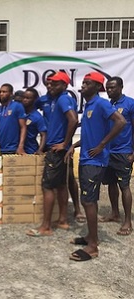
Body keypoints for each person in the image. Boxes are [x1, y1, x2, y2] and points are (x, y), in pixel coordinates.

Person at [67, 72, 125, 261]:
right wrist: (73, 147)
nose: (82, 86)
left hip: (95, 161)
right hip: (86, 159)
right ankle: (90, 237)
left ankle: (93, 247)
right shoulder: (89, 106)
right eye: (83, 82)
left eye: (87, 83)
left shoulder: (101, 104)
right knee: (87, 200)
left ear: (96, 87)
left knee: (89, 201)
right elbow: (91, 134)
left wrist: (102, 145)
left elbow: (121, 122)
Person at [27, 72, 78, 237]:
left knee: (47, 186)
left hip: (57, 149)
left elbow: (73, 120)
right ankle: (63, 220)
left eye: (55, 84)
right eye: (49, 83)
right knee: (61, 185)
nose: (51, 86)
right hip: (58, 149)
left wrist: (64, 143)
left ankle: (46, 226)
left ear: (64, 85)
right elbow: (35, 102)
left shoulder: (63, 99)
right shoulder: (52, 99)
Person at [99, 76, 134, 235]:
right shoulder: (107, 105)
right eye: (107, 87)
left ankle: (127, 221)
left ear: (121, 87)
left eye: (112, 87)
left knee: (124, 185)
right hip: (108, 152)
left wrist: (133, 152)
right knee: (111, 183)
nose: (109, 90)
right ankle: (114, 213)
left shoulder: (130, 104)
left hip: (123, 152)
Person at [0, 83, 26, 154]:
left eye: (4, 92)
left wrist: (20, 146)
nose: (1, 94)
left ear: (11, 94)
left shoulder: (17, 106)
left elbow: (23, 127)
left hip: (12, 148)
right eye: (0, 92)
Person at [22, 88, 47, 154]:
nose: (24, 100)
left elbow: (43, 135)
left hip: (30, 150)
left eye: (28, 98)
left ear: (34, 100)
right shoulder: (19, 113)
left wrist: (40, 150)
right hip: (16, 149)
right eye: (24, 97)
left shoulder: (37, 117)